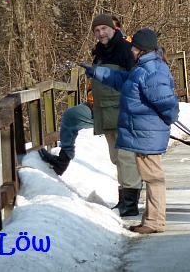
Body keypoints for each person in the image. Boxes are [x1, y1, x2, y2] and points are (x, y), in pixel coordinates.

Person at [39, 14, 142, 217]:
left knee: (126, 156)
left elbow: (134, 80)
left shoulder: (125, 50)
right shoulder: (100, 52)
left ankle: (129, 204)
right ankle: (64, 160)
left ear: (114, 29)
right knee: (115, 156)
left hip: (123, 111)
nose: (100, 33)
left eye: (104, 29)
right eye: (97, 30)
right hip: (103, 110)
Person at [81, 28, 179, 234]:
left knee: (153, 177)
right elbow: (121, 80)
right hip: (144, 131)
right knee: (150, 175)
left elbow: (166, 101)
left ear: (142, 49)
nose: (131, 49)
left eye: (134, 46)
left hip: (146, 132)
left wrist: (169, 118)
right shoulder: (142, 68)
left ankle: (155, 222)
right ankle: (151, 219)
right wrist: (96, 72)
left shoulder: (152, 71)